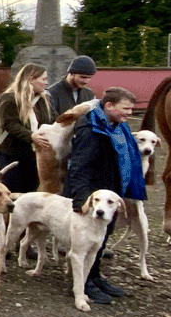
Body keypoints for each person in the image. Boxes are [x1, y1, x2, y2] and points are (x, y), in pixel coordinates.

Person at [63, 87, 146, 304]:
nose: (129, 113)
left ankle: (95, 275)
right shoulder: (91, 129)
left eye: (131, 109)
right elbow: (79, 166)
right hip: (92, 197)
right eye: (125, 109)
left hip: (109, 194)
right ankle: (84, 283)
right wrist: (81, 201)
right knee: (86, 242)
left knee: (101, 238)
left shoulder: (116, 126)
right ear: (108, 106)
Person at [0, 64, 53, 193]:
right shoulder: (8, 99)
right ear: (31, 79)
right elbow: (10, 124)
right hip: (12, 155)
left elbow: (53, 120)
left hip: (35, 157)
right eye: (43, 79)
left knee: (28, 196)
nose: (46, 83)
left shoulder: (44, 100)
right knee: (11, 194)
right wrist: (31, 136)